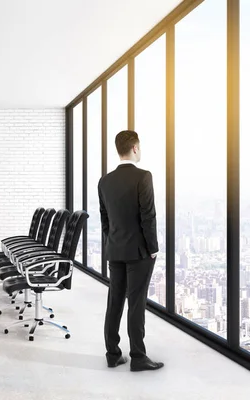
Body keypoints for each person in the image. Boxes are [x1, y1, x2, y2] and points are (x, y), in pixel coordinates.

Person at [97, 130, 164, 372]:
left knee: (114, 301)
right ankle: (137, 356)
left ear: (119, 150)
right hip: (139, 252)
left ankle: (112, 354)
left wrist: (112, 242)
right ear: (135, 148)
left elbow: (105, 220)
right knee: (136, 303)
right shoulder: (144, 176)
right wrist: (153, 248)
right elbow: (148, 216)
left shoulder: (104, 181)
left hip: (114, 250)